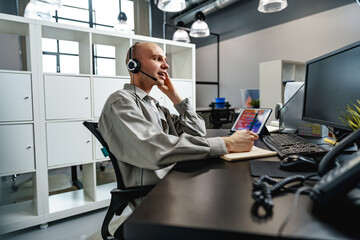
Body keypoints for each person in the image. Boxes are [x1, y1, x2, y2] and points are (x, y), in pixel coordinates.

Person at [98, 42, 258, 193]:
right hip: (154, 191)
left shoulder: (154, 106)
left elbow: (197, 132)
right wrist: (227, 143)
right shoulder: (120, 101)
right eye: (157, 59)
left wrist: (175, 97)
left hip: (173, 176)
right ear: (134, 65)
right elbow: (155, 150)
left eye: (165, 60)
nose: (166, 66)